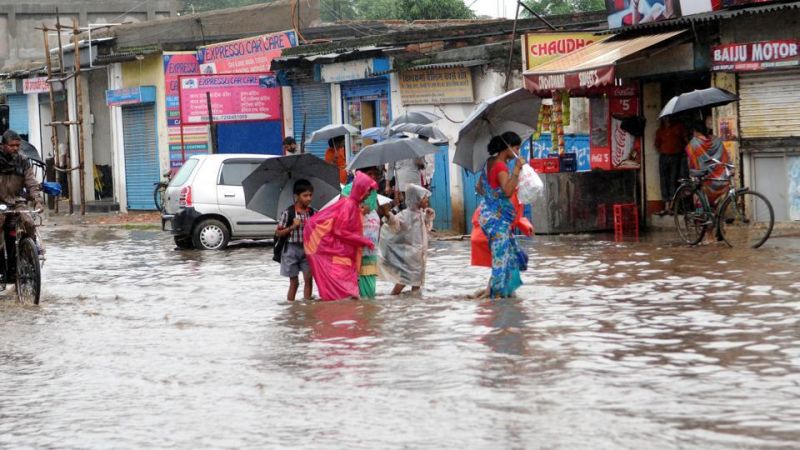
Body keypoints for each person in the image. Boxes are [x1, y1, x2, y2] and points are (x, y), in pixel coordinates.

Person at [303, 171, 377, 301]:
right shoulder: (349, 205)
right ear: (360, 189)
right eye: (368, 190)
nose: (369, 194)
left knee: (345, 297)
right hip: (336, 255)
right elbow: (339, 231)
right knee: (344, 296)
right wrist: (363, 241)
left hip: (342, 256)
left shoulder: (352, 205)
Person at [475, 132, 528, 299]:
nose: (518, 152)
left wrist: (492, 197)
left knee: (505, 253)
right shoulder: (500, 166)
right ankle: (496, 295)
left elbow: (479, 188)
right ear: (508, 147)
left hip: (487, 217)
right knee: (501, 257)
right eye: (517, 148)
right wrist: (517, 170)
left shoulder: (488, 163)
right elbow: (507, 191)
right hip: (497, 220)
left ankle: (492, 289)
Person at [378, 183, 435, 296]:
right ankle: (394, 296)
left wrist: (428, 217)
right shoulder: (405, 215)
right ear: (416, 199)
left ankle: (414, 303)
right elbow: (395, 224)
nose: (426, 200)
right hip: (409, 256)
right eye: (424, 198)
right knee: (403, 280)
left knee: (417, 281)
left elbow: (427, 228)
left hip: (419, 255)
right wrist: (387, 214)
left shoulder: (421, 214)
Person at [341, 167, 381, 299]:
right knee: (356, 281)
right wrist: (359, 211)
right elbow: (342, 219)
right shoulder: (348, 192)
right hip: (356, 245)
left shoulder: (372, 191)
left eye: (376, 174)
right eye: (370, 174)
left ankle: (367, 309)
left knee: (369, 285)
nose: (373, 177)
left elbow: (376, 211)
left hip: (370, 245)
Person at [275, 179, 315, 301]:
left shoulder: (312, 212)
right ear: (296, 196)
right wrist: (292, 226)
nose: (308, 198)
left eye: (310, 195)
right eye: (305, 195)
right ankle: (291, 309)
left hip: (307, 249)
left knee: (309, 279)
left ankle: (307, 306)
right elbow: (278, 232)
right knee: (294, 282)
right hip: (290, 250)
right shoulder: (288, 213)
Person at [686, 119, 731, 209]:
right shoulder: (716, 140)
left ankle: (701, 218)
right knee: (722, 197)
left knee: (700, 195)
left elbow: (690, 159)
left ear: (695, 130)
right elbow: (724, 157)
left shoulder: (694, 143)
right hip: (719, 177)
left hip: (703, 176)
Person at [654, 116, 688, 215]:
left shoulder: (679, 127)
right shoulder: (660, 131)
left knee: (674, 180)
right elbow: (657, 144)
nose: (667, 120)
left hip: (676, 156)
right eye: (665, 119)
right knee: (664, 180)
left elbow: (685, 140)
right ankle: (666, 205)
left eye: (668, 118)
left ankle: (672, 206)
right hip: (664, 157)